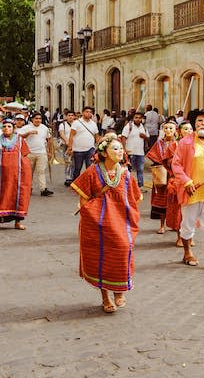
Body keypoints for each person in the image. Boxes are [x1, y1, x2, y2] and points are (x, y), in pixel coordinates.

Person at [71, 133, 141, 313]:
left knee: (123, 249)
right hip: (98, 223)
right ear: (104, 153)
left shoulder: (125, 174)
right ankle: (105, 297)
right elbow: (83, 199)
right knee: (101, 257)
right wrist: (92, 215)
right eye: (115, 148)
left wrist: (129, 216)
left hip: (120, 221)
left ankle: (119, 290)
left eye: (121, 148)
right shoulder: (92, 172)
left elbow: (135, 199)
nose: (120, 151)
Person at [171, 108, 204, 269]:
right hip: (191, 191)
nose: (203, 123)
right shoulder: (185, 142)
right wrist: (187, 182)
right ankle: (187, 253)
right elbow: (176, 164)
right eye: (200, 121)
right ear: (195, 124)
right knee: (187, 224)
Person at [0, 118, 32, 230]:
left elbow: (25, 156)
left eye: (9, 127)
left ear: (13, 129)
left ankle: (17, 223)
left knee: (17, 197)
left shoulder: (20, 141)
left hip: (16, 178)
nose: (6, 128)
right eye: (4, 126)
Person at [146, 120, 182, 237]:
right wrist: (162, 162)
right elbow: (152, 155)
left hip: (173, 175)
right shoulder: (159, 143)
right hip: (162, 175)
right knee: (161, 200)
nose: (168, 131)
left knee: (174, 200)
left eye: (171, 128)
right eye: (166, 128)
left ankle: (174, 223)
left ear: (175, 130)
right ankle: (162, 225)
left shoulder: (178, 144)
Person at [18, 112, 53, 196]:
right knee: (28, 173)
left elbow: (49, 140)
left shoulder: (44, 128)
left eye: (39, 118)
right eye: (36, 118)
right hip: (29, 153)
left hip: (42, 153)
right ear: (32, 119)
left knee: (41, 171)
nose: (38, 120)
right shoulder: (26, 127)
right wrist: (29, 133)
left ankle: (43, 189)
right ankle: (28, 188)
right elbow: (20, 136)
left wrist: (50, 152)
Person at [68, 106, 99, 181]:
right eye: (87, 112)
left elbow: (97, 136)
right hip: (78, 150)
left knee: (90, 168)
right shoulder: (76, 123)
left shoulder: (93, 124)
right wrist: (70, 148)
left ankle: (89, 183)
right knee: (77, 168)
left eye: (90, 112)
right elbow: (71, 136)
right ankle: (75, 183)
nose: (89, 113)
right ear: (83, 113)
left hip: (90, 149)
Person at [121, 111, 148, 190]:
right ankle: (128, 186)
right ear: (133, 118)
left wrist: (144, 137)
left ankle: (140, 186)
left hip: (140, 152)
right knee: (130, 170)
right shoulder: (129, 126)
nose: (138, 119)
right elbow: (123, 137)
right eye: (136, 117)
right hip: (130, 152)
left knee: (140, 170)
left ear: (142, 119)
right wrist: (124, 150)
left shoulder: (144, 127)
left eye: (140, 118)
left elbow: (148, 138)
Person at [59, 110, 76, 186]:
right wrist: (67, 141)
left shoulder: (77, 124)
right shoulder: (63, 124)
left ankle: (73, 177)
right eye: (69, 115)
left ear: (74, 116)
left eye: (72, 115)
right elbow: (62, 133)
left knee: (74, 162)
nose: (70, 117)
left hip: (75, 145)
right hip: (66, 145)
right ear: (66, 117)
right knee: (68, 162)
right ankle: (68, 177)